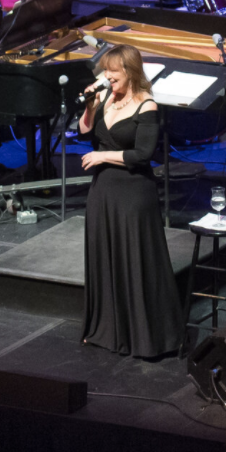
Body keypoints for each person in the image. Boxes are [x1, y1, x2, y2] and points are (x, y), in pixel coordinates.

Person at [78, 43, 181, 357]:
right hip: (103, 191)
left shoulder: (146, 106)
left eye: (114, 72)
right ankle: (107, 331)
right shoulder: (107, 97)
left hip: (133, 192)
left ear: (131, 71)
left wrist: (102, 155)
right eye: (105, 71)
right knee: (105, 256)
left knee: (135, 259)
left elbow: (142, 155)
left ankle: (144, 336)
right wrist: (91, 106)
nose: (108, 77)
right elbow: (84, 132)